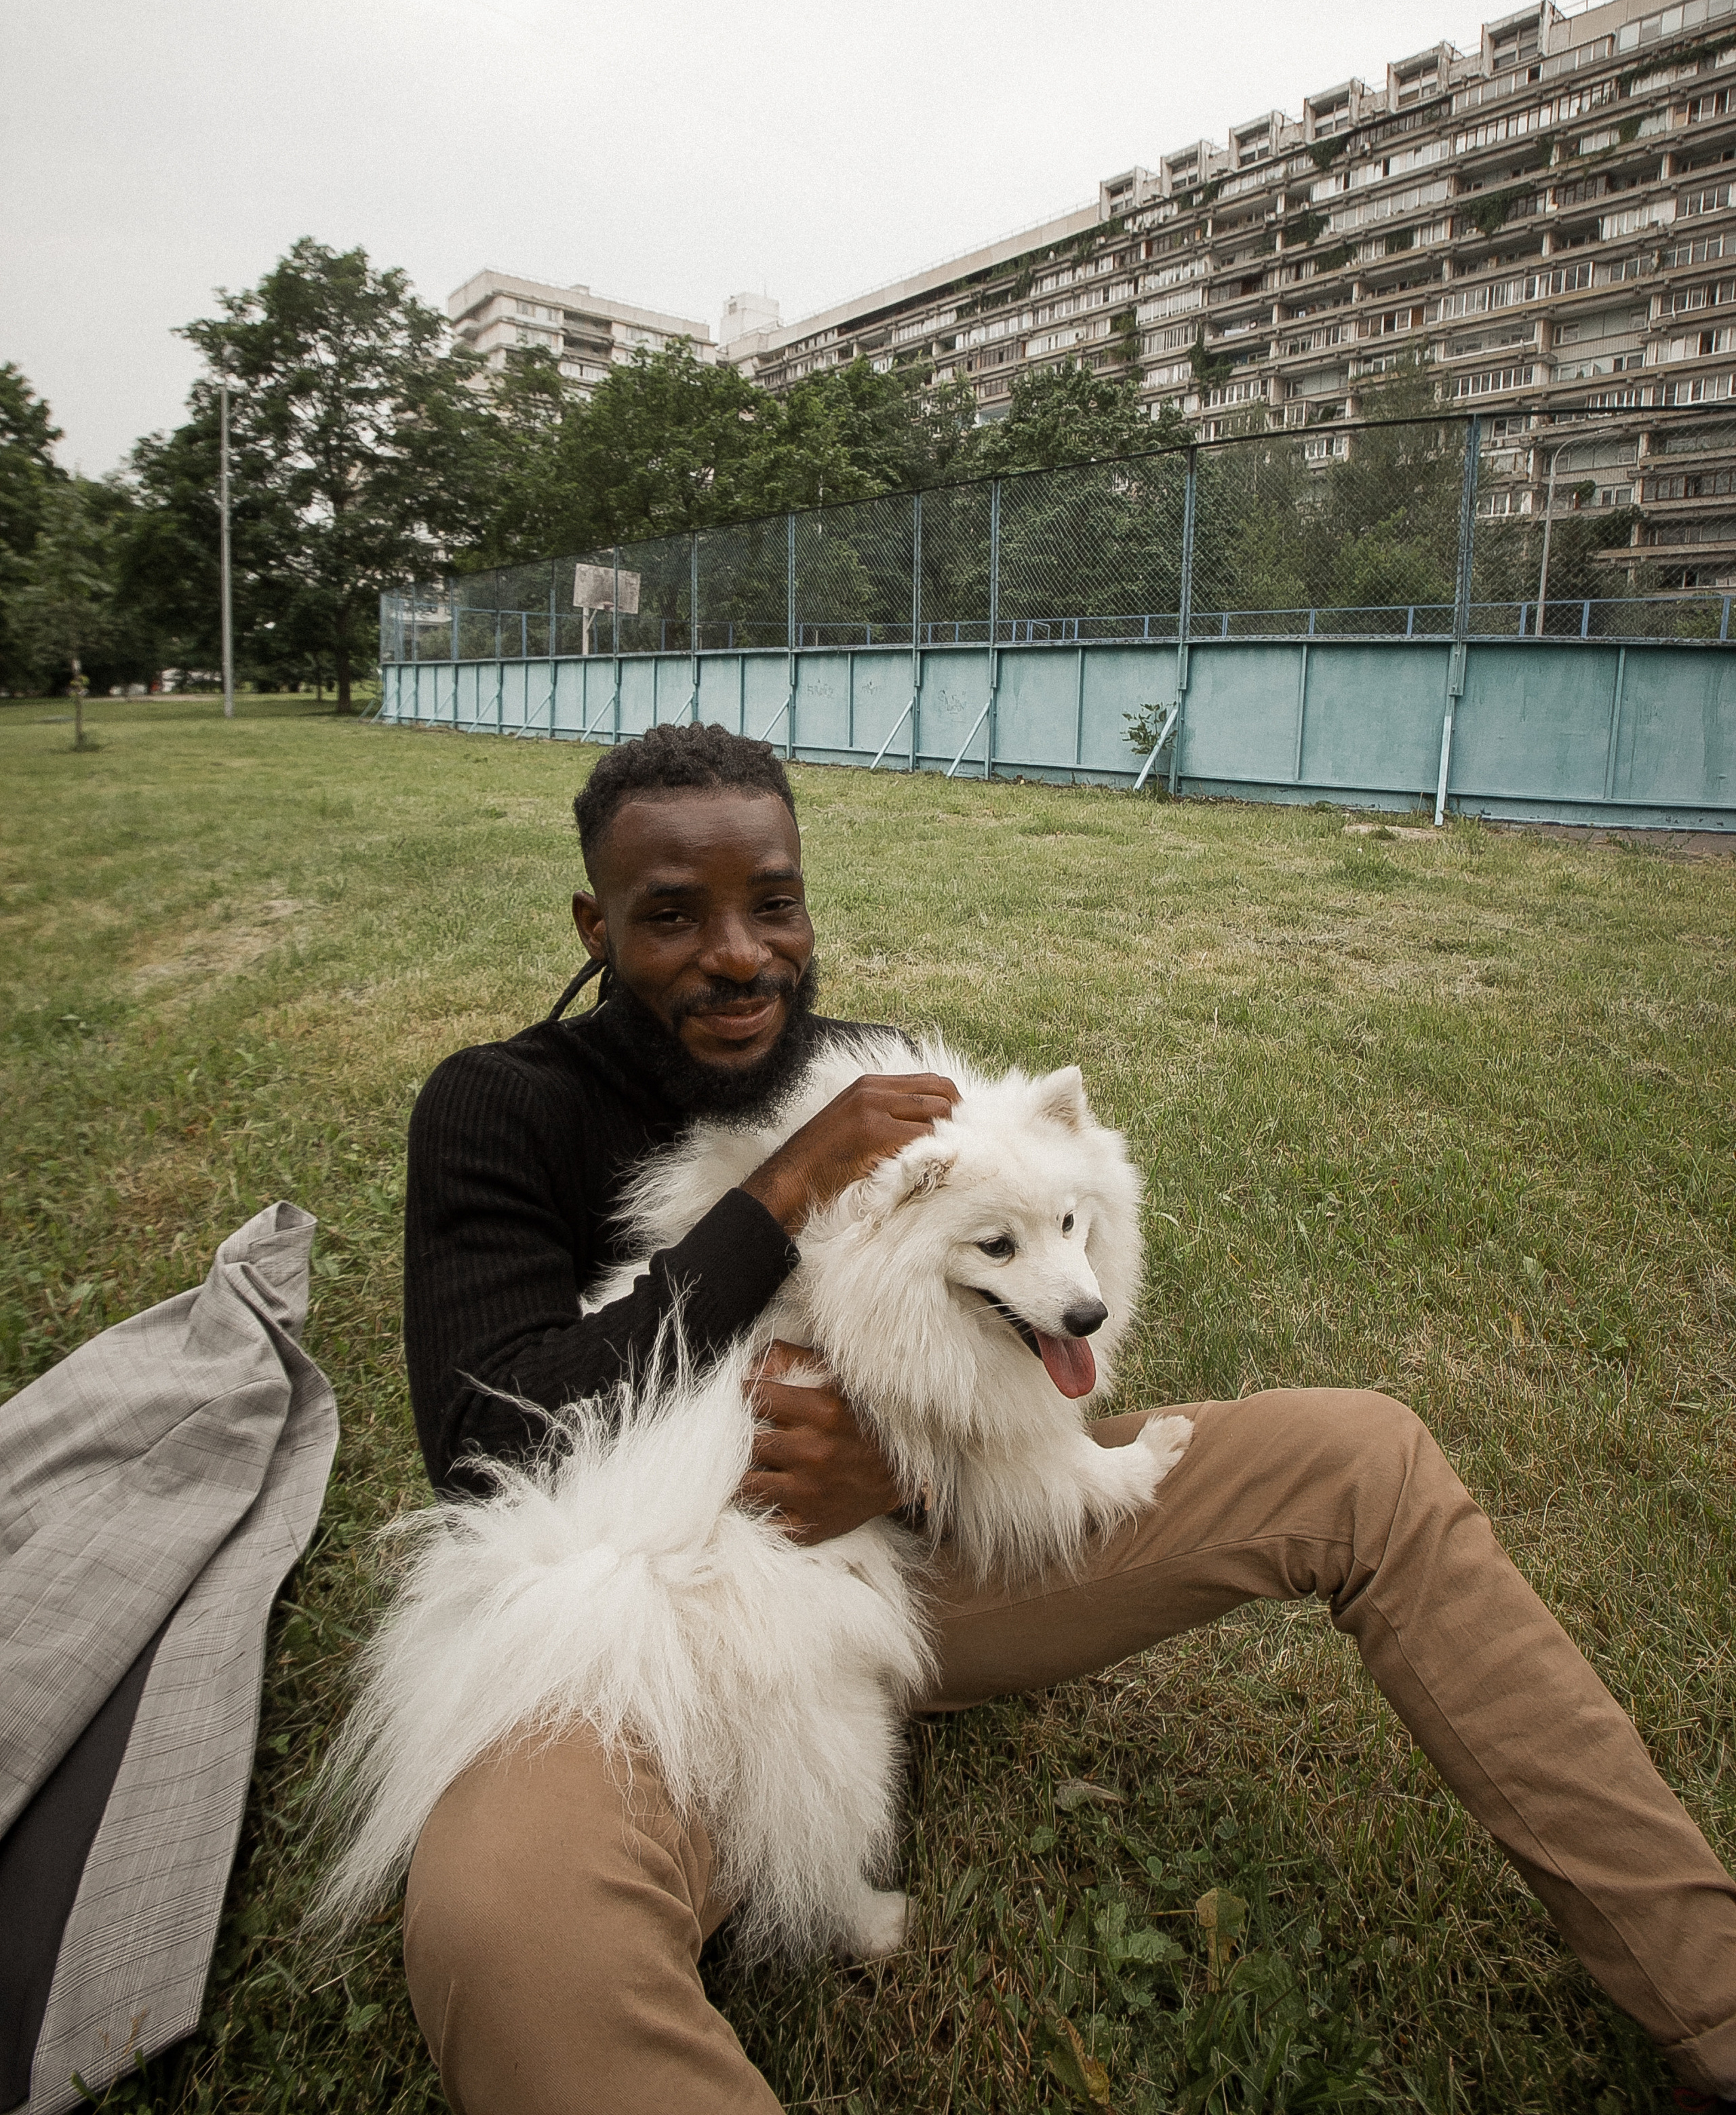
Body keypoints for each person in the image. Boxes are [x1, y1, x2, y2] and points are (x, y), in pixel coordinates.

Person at [399, 724, 1736, 2115]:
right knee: (506, 1920)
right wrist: (787, 1184)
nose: (738, 955)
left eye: (773, 903)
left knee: (1362, 1457)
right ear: (594, 924)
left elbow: (1013, 1295)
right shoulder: (502, 1108)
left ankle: (1710, 1998)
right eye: (670, 915)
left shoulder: (877, 1074)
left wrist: (905, 1471)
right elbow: (495, 1452)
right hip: (680, 1617)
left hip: (959, 1546)